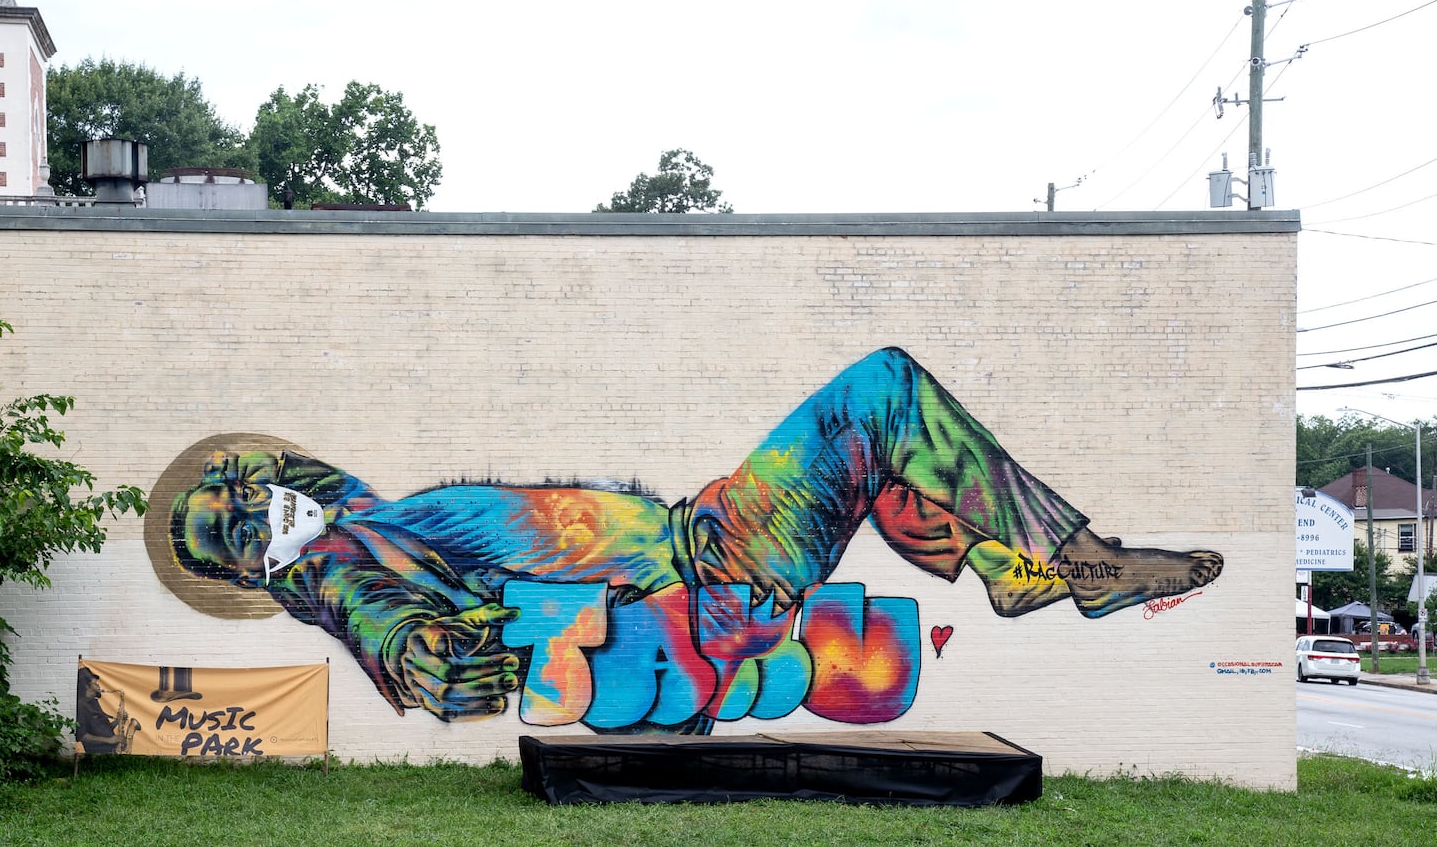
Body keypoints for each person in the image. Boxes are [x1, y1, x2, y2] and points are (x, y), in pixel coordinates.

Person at [161, 348, 1222, 725]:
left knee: (896, 474)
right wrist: (417, 653)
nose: (278, 509)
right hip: (712, 568)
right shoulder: (346, 567)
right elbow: (385, 625)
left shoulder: (357, 523)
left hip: (704, 539)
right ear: (259, 566)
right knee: (882, 392)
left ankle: (1010, 570)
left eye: (259, 490)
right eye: (252, 526)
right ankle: (1072, 564)